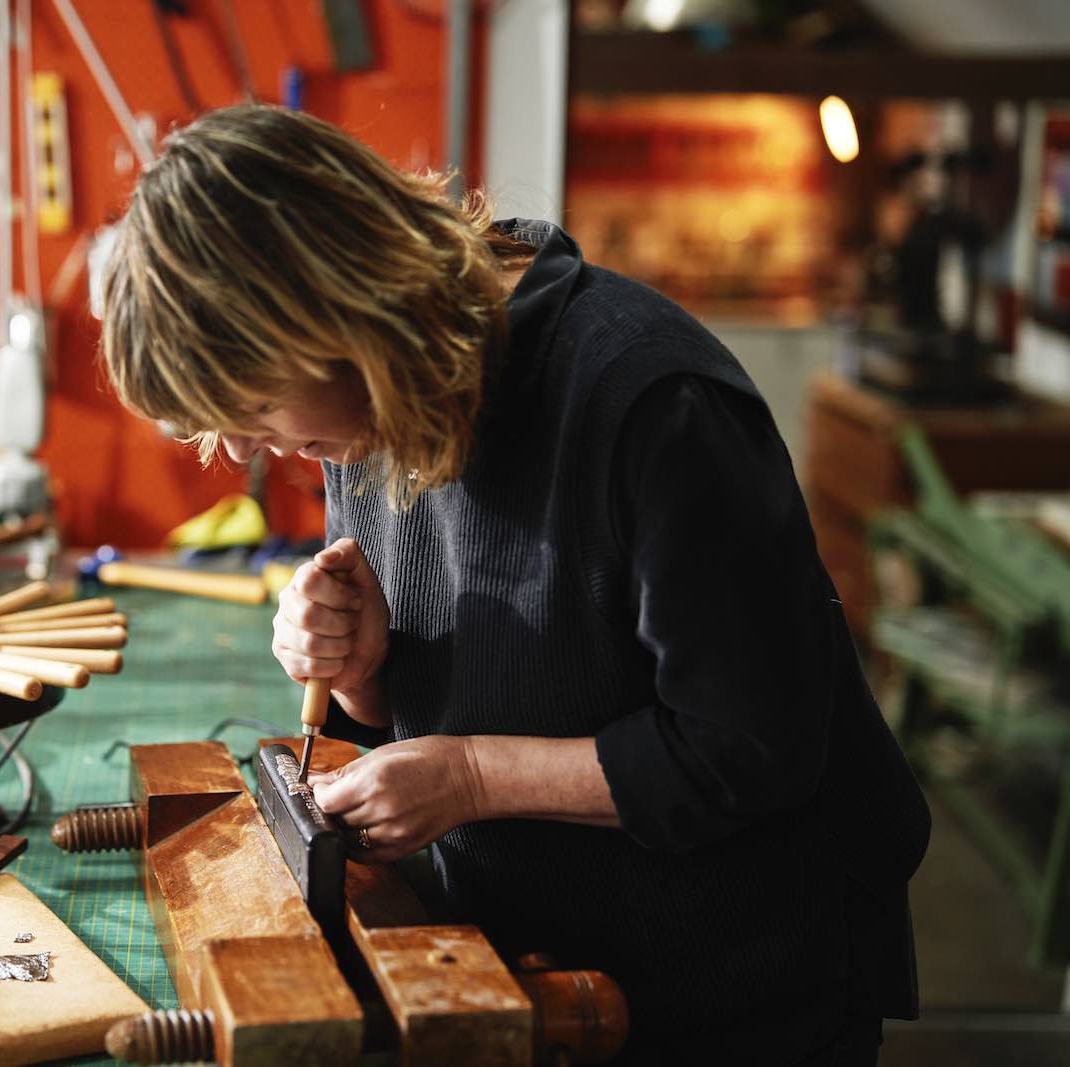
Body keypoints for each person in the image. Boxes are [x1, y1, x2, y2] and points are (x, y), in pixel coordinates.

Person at [98, 104, 930, 1066]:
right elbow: (442, 704)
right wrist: (365, 669)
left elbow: (743, 749)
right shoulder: (368, 395)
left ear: (334, 310)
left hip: (726, 988)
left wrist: (470, 775)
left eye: (246, 405)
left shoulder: (651, 405)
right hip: (516, 960)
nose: (244, 449)